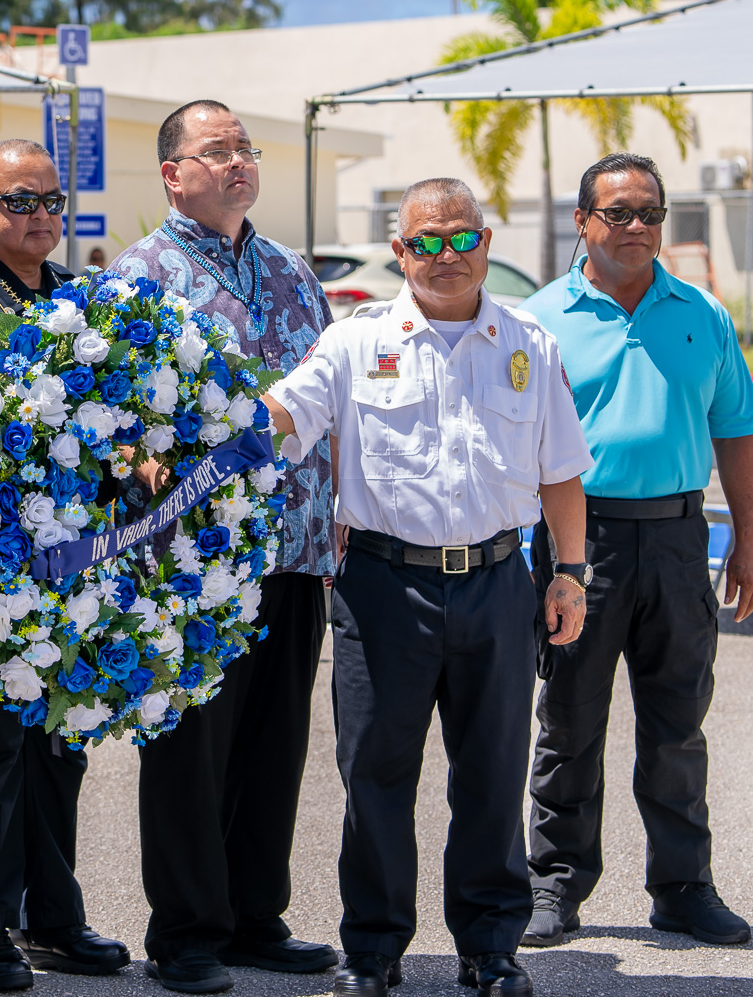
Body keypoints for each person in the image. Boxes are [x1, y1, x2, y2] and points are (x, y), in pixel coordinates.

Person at [263, 178, 594, 997]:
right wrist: (190, 417)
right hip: (382, 587)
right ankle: (373, 951)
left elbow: (562, 475)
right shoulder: (354, 341)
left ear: (485, 242)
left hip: (497, 584)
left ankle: (490, 948)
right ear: (400, 250)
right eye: (426, 242)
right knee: (375, 773)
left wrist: (569, 574)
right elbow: (281, 413)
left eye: (460, 238)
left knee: (490, 773)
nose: (445, 257)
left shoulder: (530, 343)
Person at [112, 101, 338, 994]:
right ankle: (188, 930)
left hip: (296, 548)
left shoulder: (291, 270)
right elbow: (115, 423)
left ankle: (255, 916)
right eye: (217, 151)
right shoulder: (142, 275)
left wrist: (340, 507)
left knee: (273, 745)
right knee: (190, 749)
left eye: (245, 148)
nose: (239, 161)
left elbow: (331, 399)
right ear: (173, 173)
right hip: (195, 561)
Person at [518, 153, 753, 949]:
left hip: (676, 538)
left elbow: (738, 433)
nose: (636, 227)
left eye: (650, 213)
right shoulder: (539, 320)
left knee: (676, 724)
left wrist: (751, 545)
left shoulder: (704, 314)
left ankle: (684, 886)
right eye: (618, 212)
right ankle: (554, 884)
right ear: (583, 223)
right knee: (569, 719)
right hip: (575, 544)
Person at [0, 139, 130, 991]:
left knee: (59, 744)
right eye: (18, 200)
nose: (40, 215)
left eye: (51, 201)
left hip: (76, 557)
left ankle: (52, 916)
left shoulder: (84, 302)